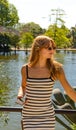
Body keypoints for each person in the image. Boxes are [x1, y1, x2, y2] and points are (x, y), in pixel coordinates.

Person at [17, 35, 76, 130]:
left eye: (53, 48)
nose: (52, 50)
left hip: (47, 116)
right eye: (49, 48)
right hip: (29, 115)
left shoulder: (57, 69)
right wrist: (20, 95)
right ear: (38, 49)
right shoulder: (25, 69)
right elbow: (23, 86)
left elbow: (69, 90)